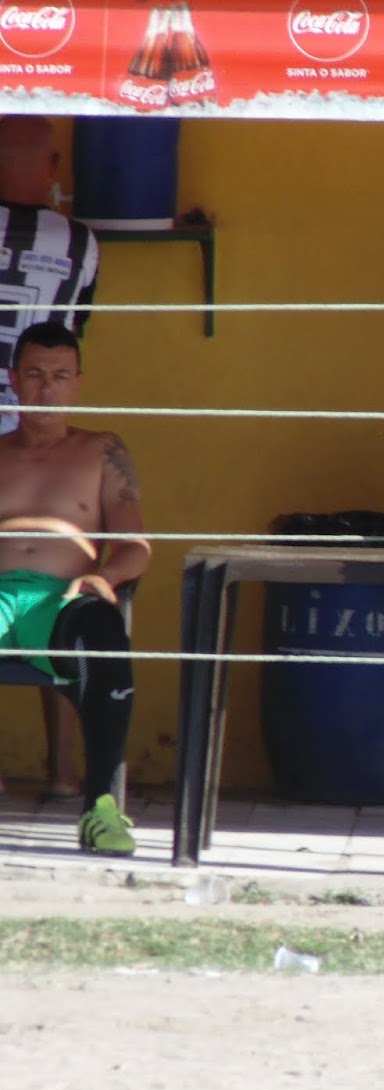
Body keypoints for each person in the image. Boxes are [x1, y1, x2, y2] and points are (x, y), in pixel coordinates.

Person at [0, 322, 147, 854]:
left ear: (78, 382)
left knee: (104, 631)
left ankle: (100, 808)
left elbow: (135, 546)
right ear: (14, 379)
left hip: (62, 598)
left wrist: (103, 578)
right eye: (35, 375)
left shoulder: (101, 450)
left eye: (60, 376)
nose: (47, 389)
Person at [0, 115, 102, 804]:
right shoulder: (82, 243)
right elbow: (73, 333)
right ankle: (64, 774)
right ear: (54, 164)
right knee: (57, 584)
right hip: (42, 428)